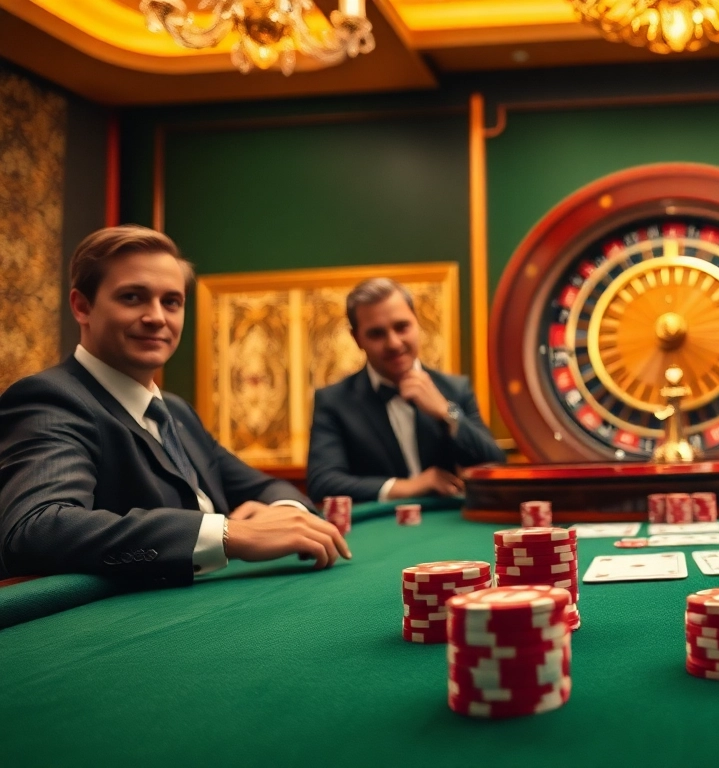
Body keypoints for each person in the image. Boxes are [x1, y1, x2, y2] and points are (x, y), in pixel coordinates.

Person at [0, 225, 350, 583]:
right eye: (132, 297)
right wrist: (229, 534)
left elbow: (263, 488)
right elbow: (35, 529)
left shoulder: (176, 411)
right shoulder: (50, 399)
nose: (157, 318)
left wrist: (285, 513)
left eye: (171, 302)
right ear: (82, 307)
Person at [306, 278, 503, 503]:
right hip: (379, 523)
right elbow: (322, 483)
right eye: (377, 334)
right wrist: (408, 486)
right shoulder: (333, 401)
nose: (393, 343)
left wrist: (447, 413)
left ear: (416, 322)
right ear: (357, 339)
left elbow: (495, 465)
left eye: (401, 327)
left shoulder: (455, 389)